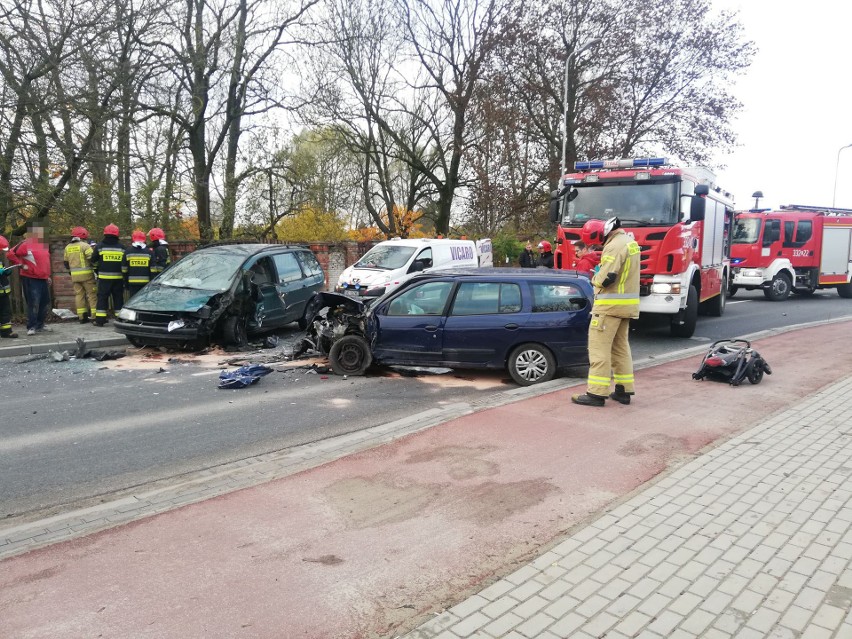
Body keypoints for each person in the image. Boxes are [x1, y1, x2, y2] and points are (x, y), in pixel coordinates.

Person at [572, 217, 640, 407]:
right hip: (626, 306)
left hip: (609, 306)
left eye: (595, 241)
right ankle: (623, 390)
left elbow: (607, 277)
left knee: (598, 349)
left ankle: (596, 393)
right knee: (621, 349)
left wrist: (594, 279)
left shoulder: (614, 246)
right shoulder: (630, 242)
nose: (597, 244)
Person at [7, 223, 52, 336]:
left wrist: (47, 276)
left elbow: (44, 263)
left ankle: (40, 325)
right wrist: (20, 265)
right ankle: (31, 326)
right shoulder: (25, 244)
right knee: (33, 303)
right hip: (31, 278)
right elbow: (10, 254)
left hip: (42, 278)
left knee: (44, 302)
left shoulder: (42, 245)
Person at [91, 224, 127, 326]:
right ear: (117, 234)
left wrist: (97, 270)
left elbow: (93, 261)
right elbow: (125, 263)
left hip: (104, 278)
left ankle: (100, 320)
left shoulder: (100, 246)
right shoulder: (122, 247)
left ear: (105, 233)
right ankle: (120, 319)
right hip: (118, 278)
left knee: (102, 298)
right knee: (118, 298)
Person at [63, 226, 97, 323]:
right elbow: (92, 258)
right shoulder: (85, 246)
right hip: (87, 276)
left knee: (79, 295)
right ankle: (94, 316)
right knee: (92, 295)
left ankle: (82, 317)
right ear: (83, 235)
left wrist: (71, 272)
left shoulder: (67, 247)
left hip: (75, 276)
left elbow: (65, 263)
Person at [125, 230, 154, 298]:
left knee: (133, 301)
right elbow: (153, 269)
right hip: (146, 283)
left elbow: (124, 269)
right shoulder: (149, 252)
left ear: (133, 239)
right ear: (144, 239)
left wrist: (126, 280)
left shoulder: (128, 251)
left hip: (132, 283)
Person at [0, 235, 18, 338]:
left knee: (5, 312)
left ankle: (6, 332)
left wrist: (6, 272)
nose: (2, 252)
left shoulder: (0, 260)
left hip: (3, 293)